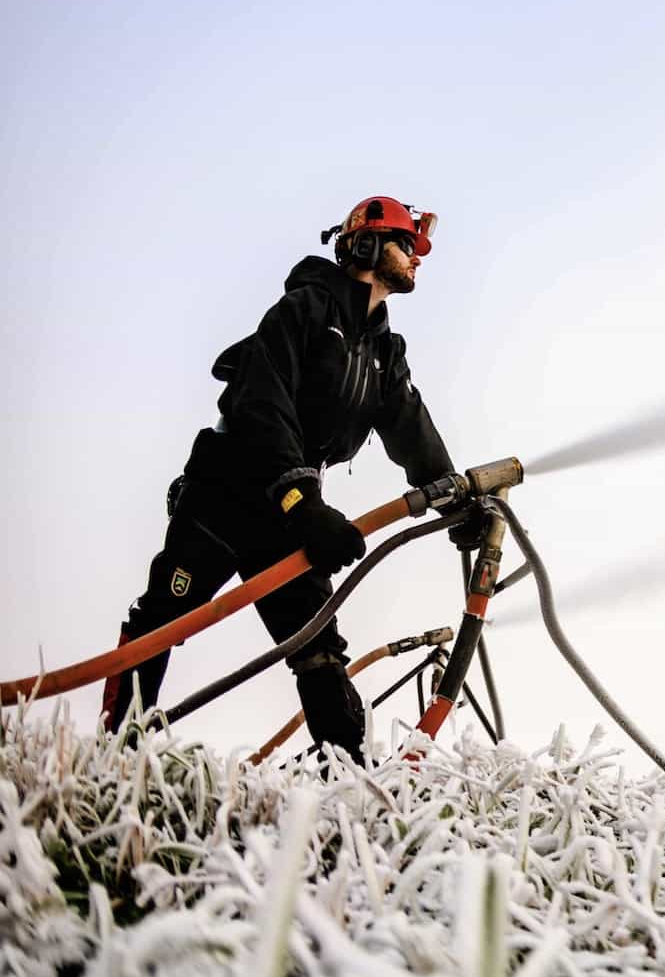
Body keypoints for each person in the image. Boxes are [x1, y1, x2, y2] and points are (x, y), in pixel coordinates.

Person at [99, 196, 479, 763]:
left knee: (317, 646)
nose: (417, 259)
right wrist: (301, 500)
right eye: (407, 245)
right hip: (225, 495)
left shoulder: (383, 352)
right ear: (367, 245)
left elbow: (408, 424)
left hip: (292, 511)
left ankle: (348, 784)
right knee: (163, 618)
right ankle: (118, 757)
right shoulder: (302, 311)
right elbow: (261, 404)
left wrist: (456, 499)